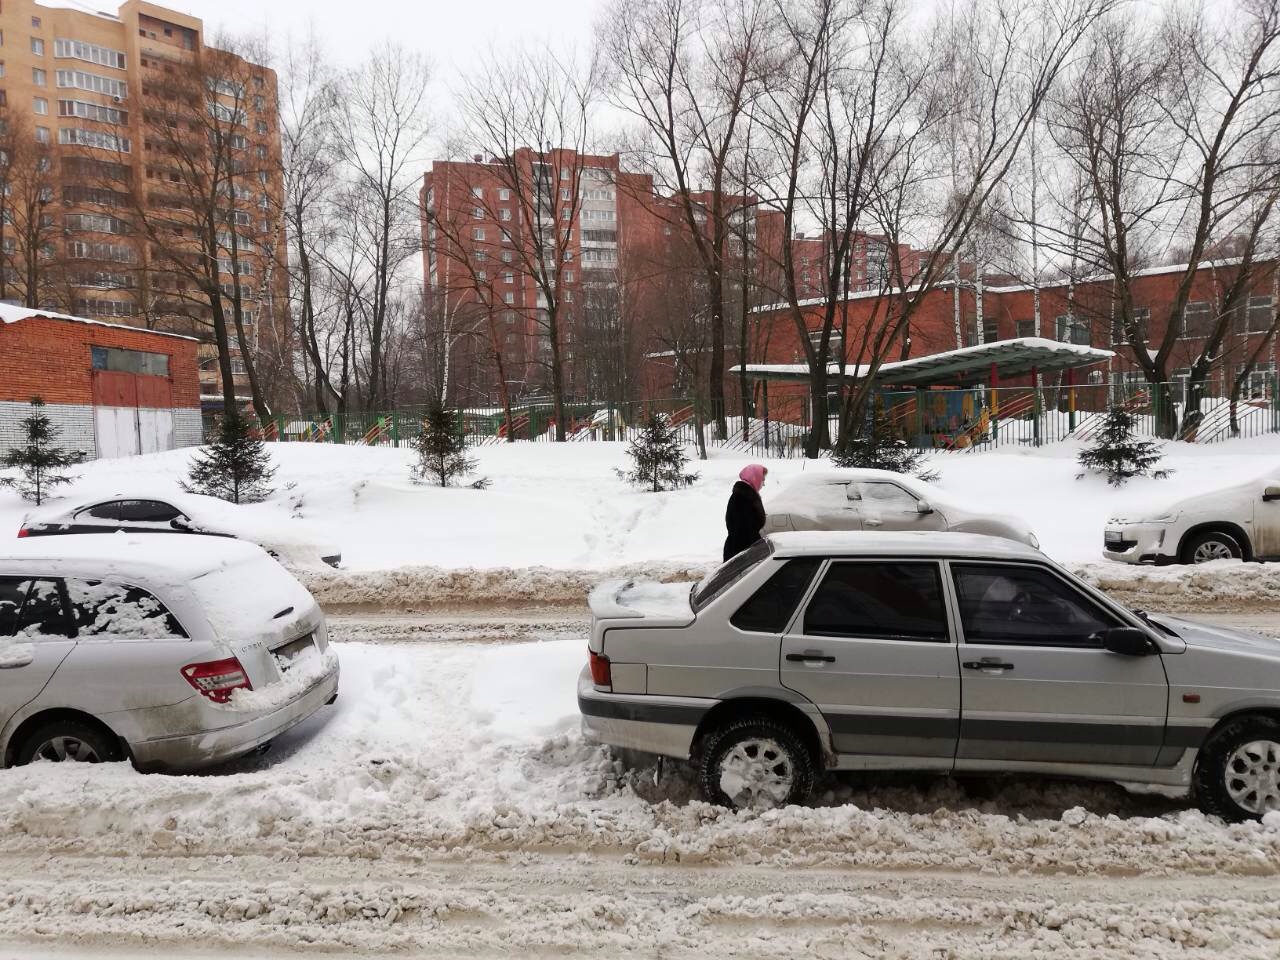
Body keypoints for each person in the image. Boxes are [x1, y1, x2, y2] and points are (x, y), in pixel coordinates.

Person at [724, 464, 768, 561]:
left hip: (744, 552)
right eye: (763, 480)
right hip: (740, 555)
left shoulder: (745, 496)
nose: (764, 484)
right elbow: (742, 532)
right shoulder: (742, 499)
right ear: (755, 478)